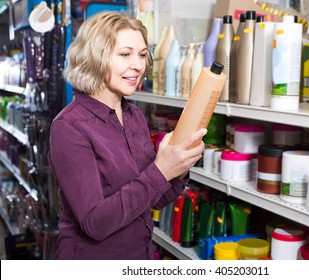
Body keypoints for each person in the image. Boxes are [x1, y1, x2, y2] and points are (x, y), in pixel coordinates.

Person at [48, 11, 206, 260]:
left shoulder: (134, 116)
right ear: (95, 58)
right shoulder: (69, 127)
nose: (139, 65)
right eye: (125, 54)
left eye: (142, 55)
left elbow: (153, 199)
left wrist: (179, 165)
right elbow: (94, 223)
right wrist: (161, 170)